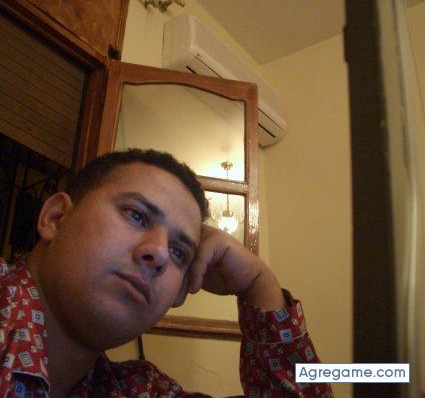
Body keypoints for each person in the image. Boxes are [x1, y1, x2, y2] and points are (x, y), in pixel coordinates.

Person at [0, 149, 332, 397]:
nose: (159, 253)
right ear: (56, 218)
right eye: (136, 215)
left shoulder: (141, 390)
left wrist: (259, 284)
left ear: (180, 292)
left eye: (179, 252)